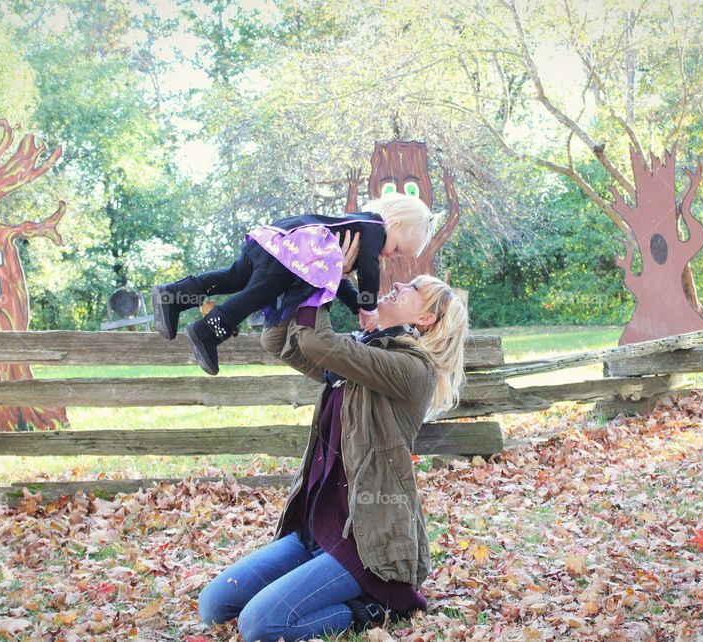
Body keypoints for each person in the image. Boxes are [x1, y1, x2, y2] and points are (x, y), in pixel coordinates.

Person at [193, 236, 469, 642]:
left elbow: (317, 341)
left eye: (412, 288)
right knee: (215, 605)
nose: (397, 285)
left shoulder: (413, 370)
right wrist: (289, 280)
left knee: (260, 626)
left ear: (426, 318)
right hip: (317, 528)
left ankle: (375, 606)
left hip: (365, 543)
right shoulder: (362, 352)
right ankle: (321, 575)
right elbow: (281, 343)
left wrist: (323, 273)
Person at [150, 192, 435, 375]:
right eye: (397, 249)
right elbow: (369, 273)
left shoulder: (353, 225)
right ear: (394, 225)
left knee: (234, 277)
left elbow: (335, 280)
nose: (389, 255)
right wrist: (368, 308)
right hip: (285, 255)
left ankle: (172, 295)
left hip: (274, 238)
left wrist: (355, 307)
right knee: (256, 295)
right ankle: (206, 332)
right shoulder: (373, 228)